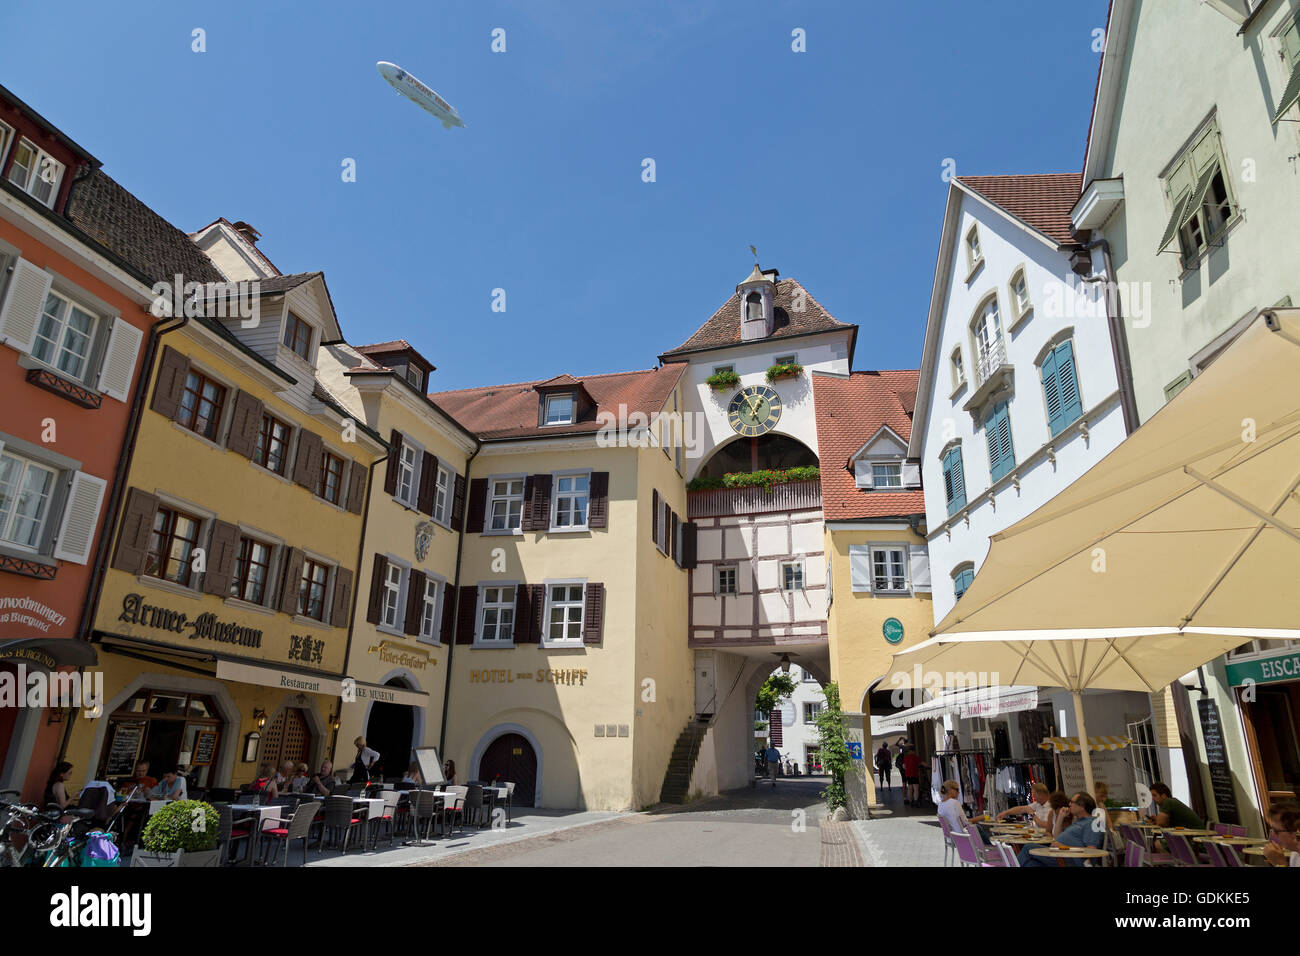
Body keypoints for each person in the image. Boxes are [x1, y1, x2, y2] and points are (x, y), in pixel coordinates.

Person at [1018, 792, 1106, 867]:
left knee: (1028, 847)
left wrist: (1064, 848)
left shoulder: (1092, 823)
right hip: (1059, 856)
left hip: (1071, 860)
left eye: (1072, 802)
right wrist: (1060, 817)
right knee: (1030, 864)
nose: (1069, 804)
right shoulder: (1078, 822)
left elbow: (1091, 850)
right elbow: (1056, 838)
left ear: (1082, 806)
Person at [1263, 802, 1300, 868]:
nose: (1273, 834)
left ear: (1295, 833)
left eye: (1276, 831)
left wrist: (1280, 864)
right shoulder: (1295, 853)